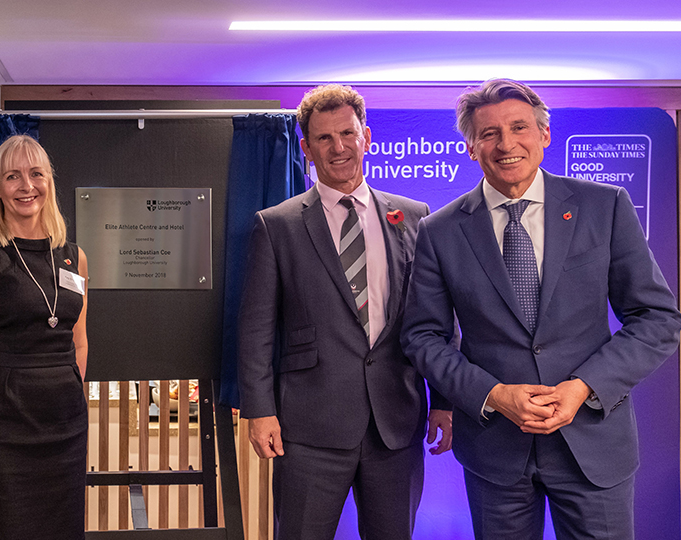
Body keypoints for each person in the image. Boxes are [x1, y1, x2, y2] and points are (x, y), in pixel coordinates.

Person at [401, 78, 681, 540]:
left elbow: (657, 319)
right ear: (471, 147)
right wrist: (492, 394)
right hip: (495, 451)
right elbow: (422, 337)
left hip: (593, 442)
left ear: (544, 135)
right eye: (488, 133)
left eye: (519, 127)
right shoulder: (440, 230)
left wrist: (583, 387)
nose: (506, 143)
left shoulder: (604, 206)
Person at [237, 84, 453, 540]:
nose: (338, 148)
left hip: (396, 423)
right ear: (306, 149)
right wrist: (259, 410)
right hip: (309, 428)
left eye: (347, 134)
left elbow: (436, 318)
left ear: (367, 137)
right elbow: (256, 328)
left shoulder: (416, 217)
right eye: (324, 139)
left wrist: (445, 401)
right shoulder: (277, 225)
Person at [0, 134, 89, 539]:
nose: (27, 186)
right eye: (13, 176)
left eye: (36, 174)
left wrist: (68, 395)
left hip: (63, 432)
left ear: (49, 181)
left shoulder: (72, 256)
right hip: (1, 433)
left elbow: (77, 340)